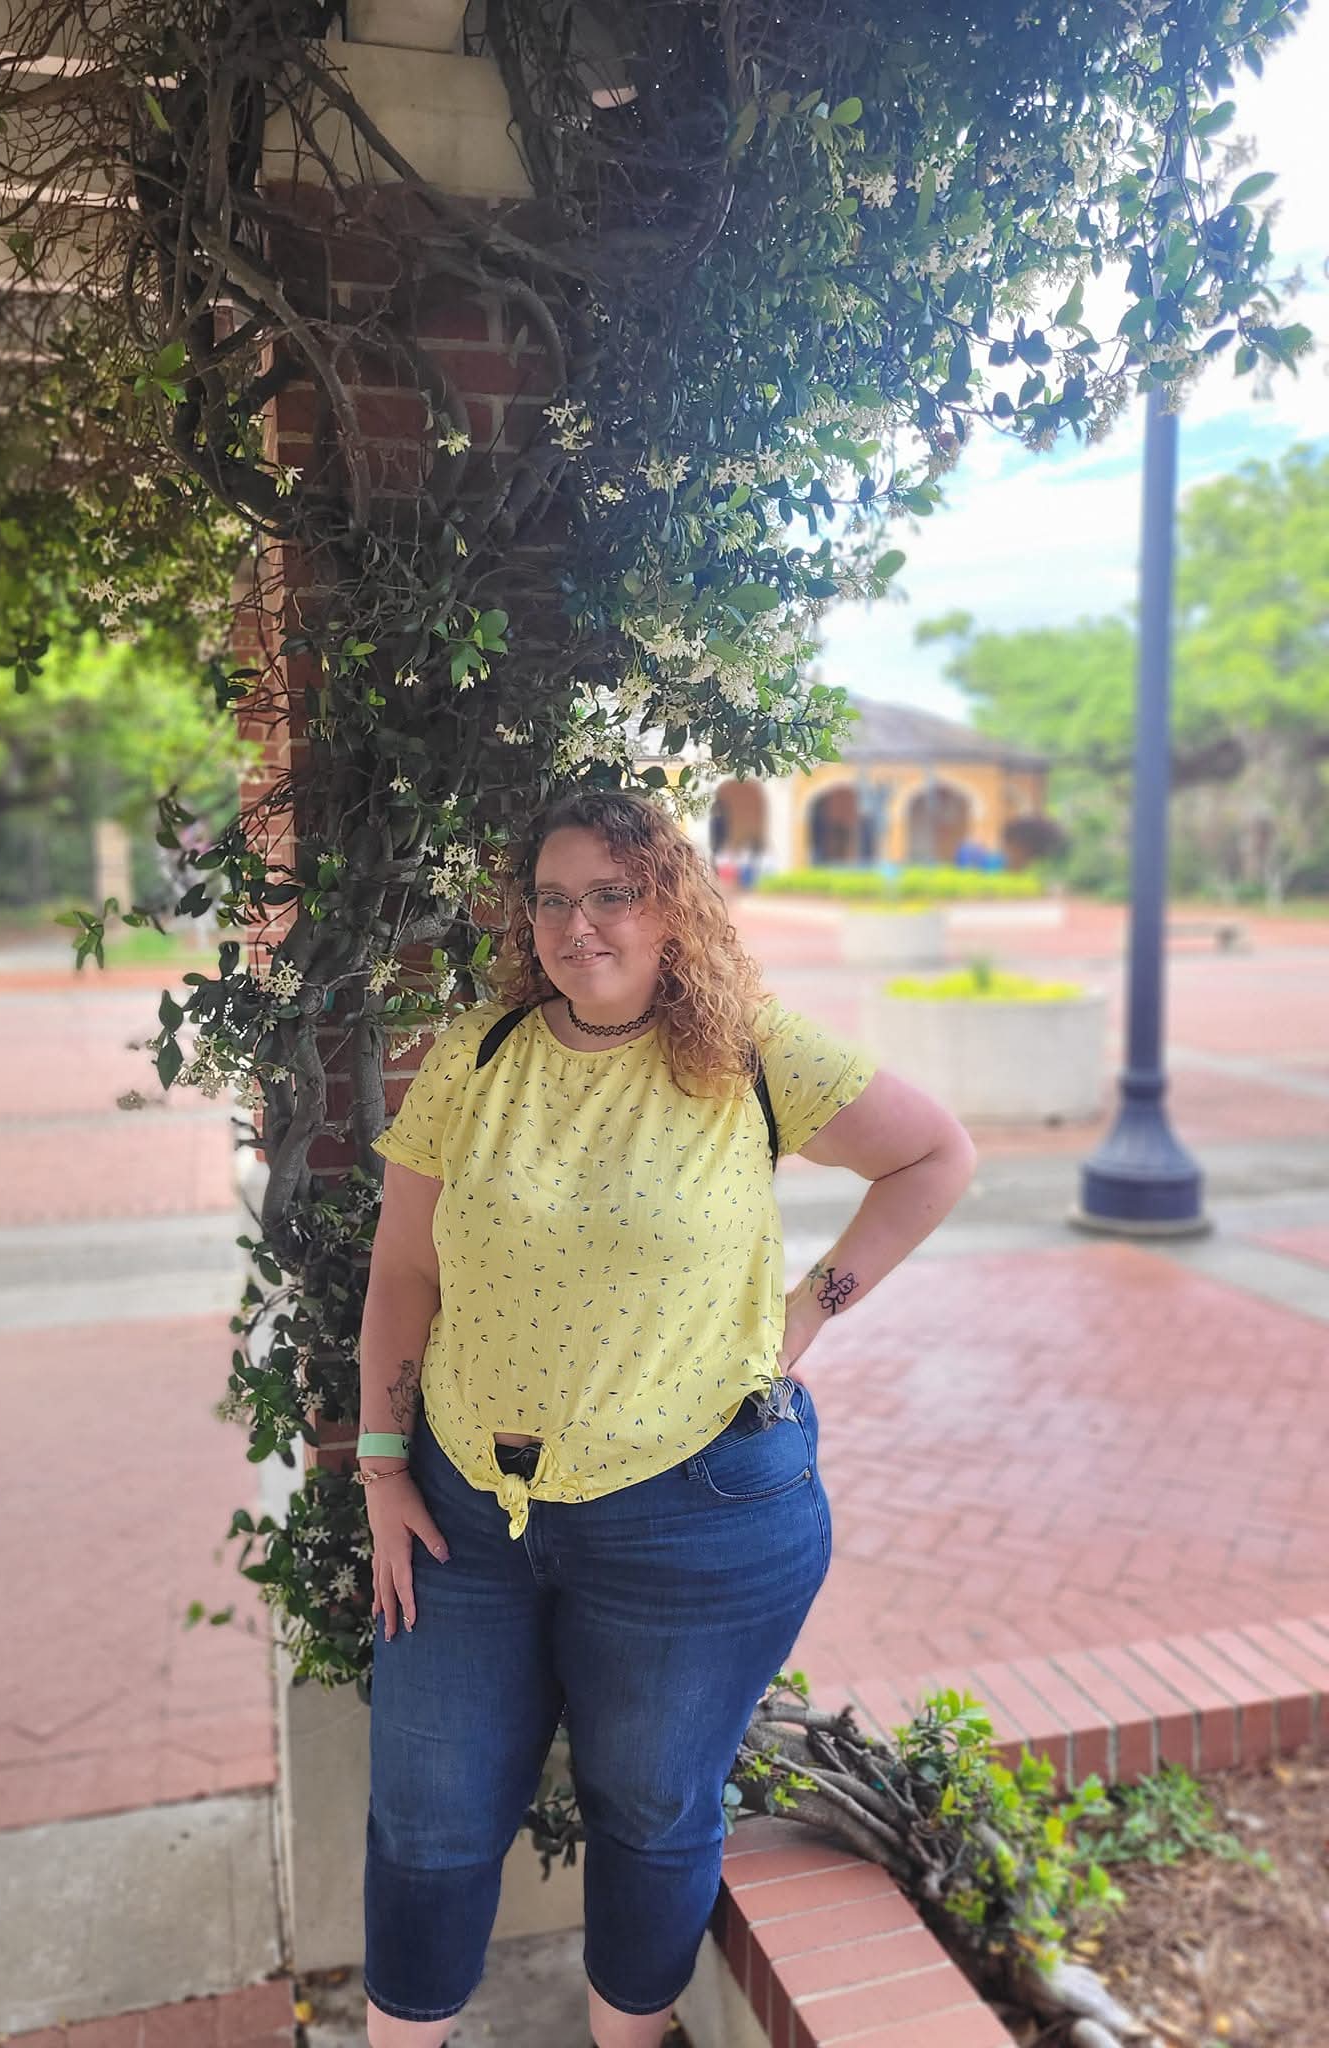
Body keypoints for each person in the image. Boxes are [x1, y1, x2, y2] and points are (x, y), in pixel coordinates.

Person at [355, 788, 976, 2047]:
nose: (577, 923)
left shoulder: (751, 1051)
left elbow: (933, 1156)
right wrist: (381, 1468)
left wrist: (805, 1315)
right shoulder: (474, 1056)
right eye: (552, 898)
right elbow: (405, 1271)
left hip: (692, 1517)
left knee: (648, 1810)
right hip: (463, 1511)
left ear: (673, 908)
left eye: (612, 893)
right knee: (427, 1813)